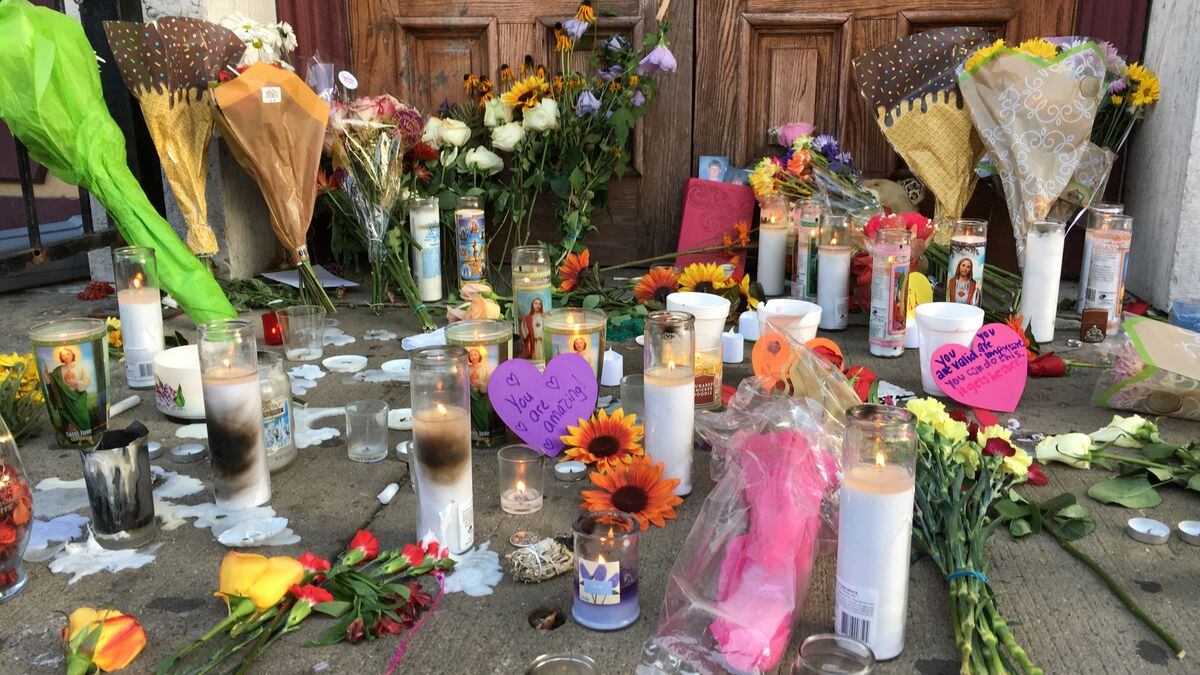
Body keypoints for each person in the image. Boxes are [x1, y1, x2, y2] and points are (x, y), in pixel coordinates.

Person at [43, 347, 92, 433]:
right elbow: (52, 382)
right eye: (63, 355)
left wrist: (76, 383)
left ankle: (86, 433)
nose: (66, 357)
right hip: (64, 399)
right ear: (61, 357)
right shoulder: (57, 371)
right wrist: (46, 376)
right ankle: (74, 435)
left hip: (78, 397)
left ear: (73, 355)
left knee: (84, 417)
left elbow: (87, 381)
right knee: (69, 419)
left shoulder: (80, 367)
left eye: (68, 354)